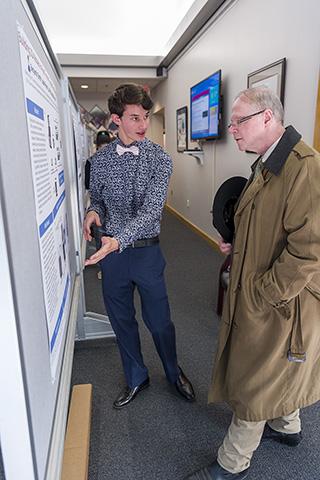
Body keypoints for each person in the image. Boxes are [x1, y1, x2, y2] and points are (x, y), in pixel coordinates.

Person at [185, 86, 320, 479]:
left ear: (267, 118)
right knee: (277, 366)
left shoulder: (304, 168)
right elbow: (268, 223)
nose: (232, 130)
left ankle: (232, 462)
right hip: (267, 291)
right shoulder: (267, 161)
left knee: (256, 376)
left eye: (239, 121)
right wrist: (239, 241)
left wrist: (262, 294)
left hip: (284, 300)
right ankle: (287, 425)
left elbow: (309, 252)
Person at [83, 83, 195, 409]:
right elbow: (99, 199)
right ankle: (136, 376)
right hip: (112, 258)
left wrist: (118, 239)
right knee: (121, 320)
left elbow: (150, 213)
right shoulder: (99, 160)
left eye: (145, 116)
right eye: (134, 117)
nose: (143, 124)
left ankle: (173, 373)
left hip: (146, 252)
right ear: (116, 119)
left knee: (159, 321)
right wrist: (93, 211)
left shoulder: (160, 159)